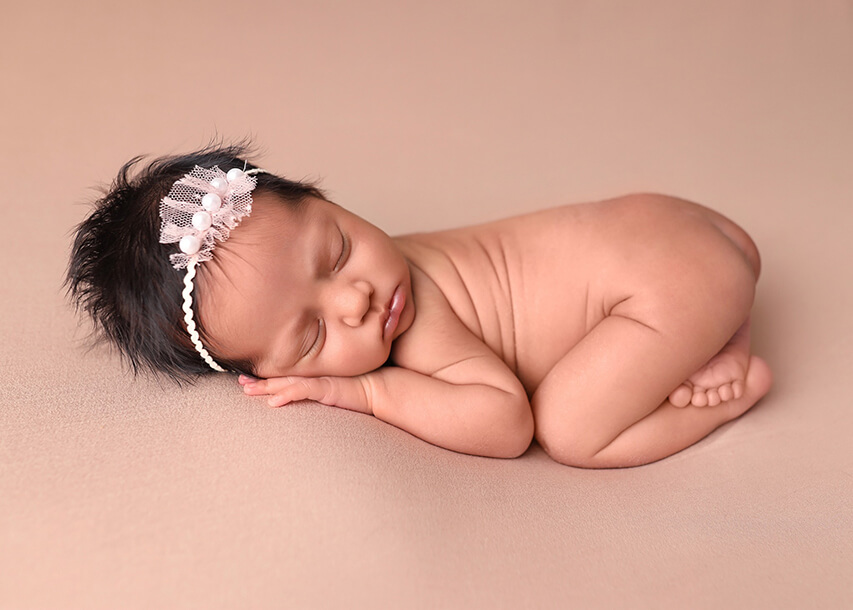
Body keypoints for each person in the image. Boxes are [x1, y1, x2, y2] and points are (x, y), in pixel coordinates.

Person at [67, 143, 772, 468]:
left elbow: (505, 422)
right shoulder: (381, 275)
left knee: (569, 429)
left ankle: (732, 381)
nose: (358, 298)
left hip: (668, 275)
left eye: (338, 251)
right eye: (312, 333)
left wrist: (369, 389)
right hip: (673, 227)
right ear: (259, 370)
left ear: (323, 199)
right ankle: (717, 324)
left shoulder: (417, 320)